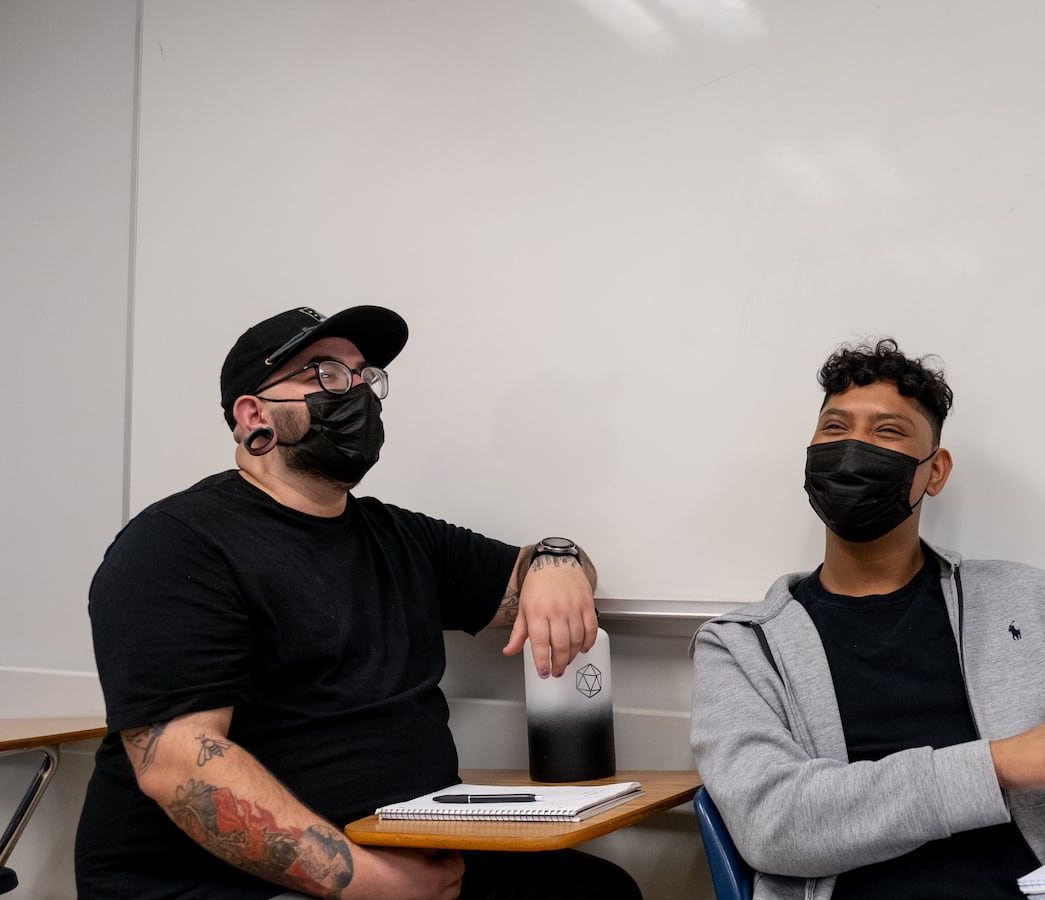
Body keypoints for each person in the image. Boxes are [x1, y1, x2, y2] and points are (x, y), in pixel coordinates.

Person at [75, 306, 641, 900]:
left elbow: (530, 572)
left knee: (597, 891)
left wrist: (556, 561)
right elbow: (179, 764)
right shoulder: (175, 544)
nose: (359, 393)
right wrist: (368, 882)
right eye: (324, 374)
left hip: (401, 848)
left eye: (364, 377)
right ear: (253, 416)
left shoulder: (400, 537)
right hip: (220, 881)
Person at [691, 338, 1045, 900]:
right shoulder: (742, 648)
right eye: (835, 428)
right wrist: (995, 765)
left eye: (887, 432)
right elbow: (772, 823)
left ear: (934, 472)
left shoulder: (1036, 601)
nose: (852, 449)